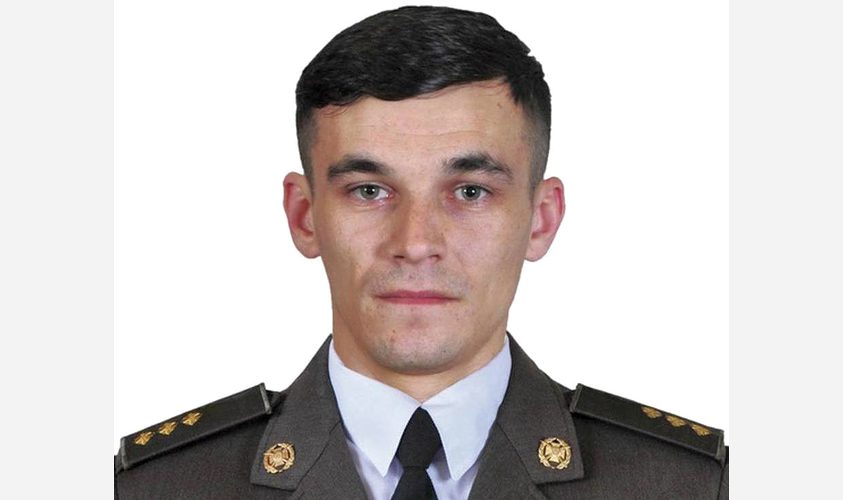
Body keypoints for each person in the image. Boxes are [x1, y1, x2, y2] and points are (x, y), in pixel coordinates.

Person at [114, 6, 727, 499]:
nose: (415, 243)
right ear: (304, 216)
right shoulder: (156, 487)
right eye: (369, 190)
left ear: (541, 220)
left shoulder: (691, 486)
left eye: (470, 191)